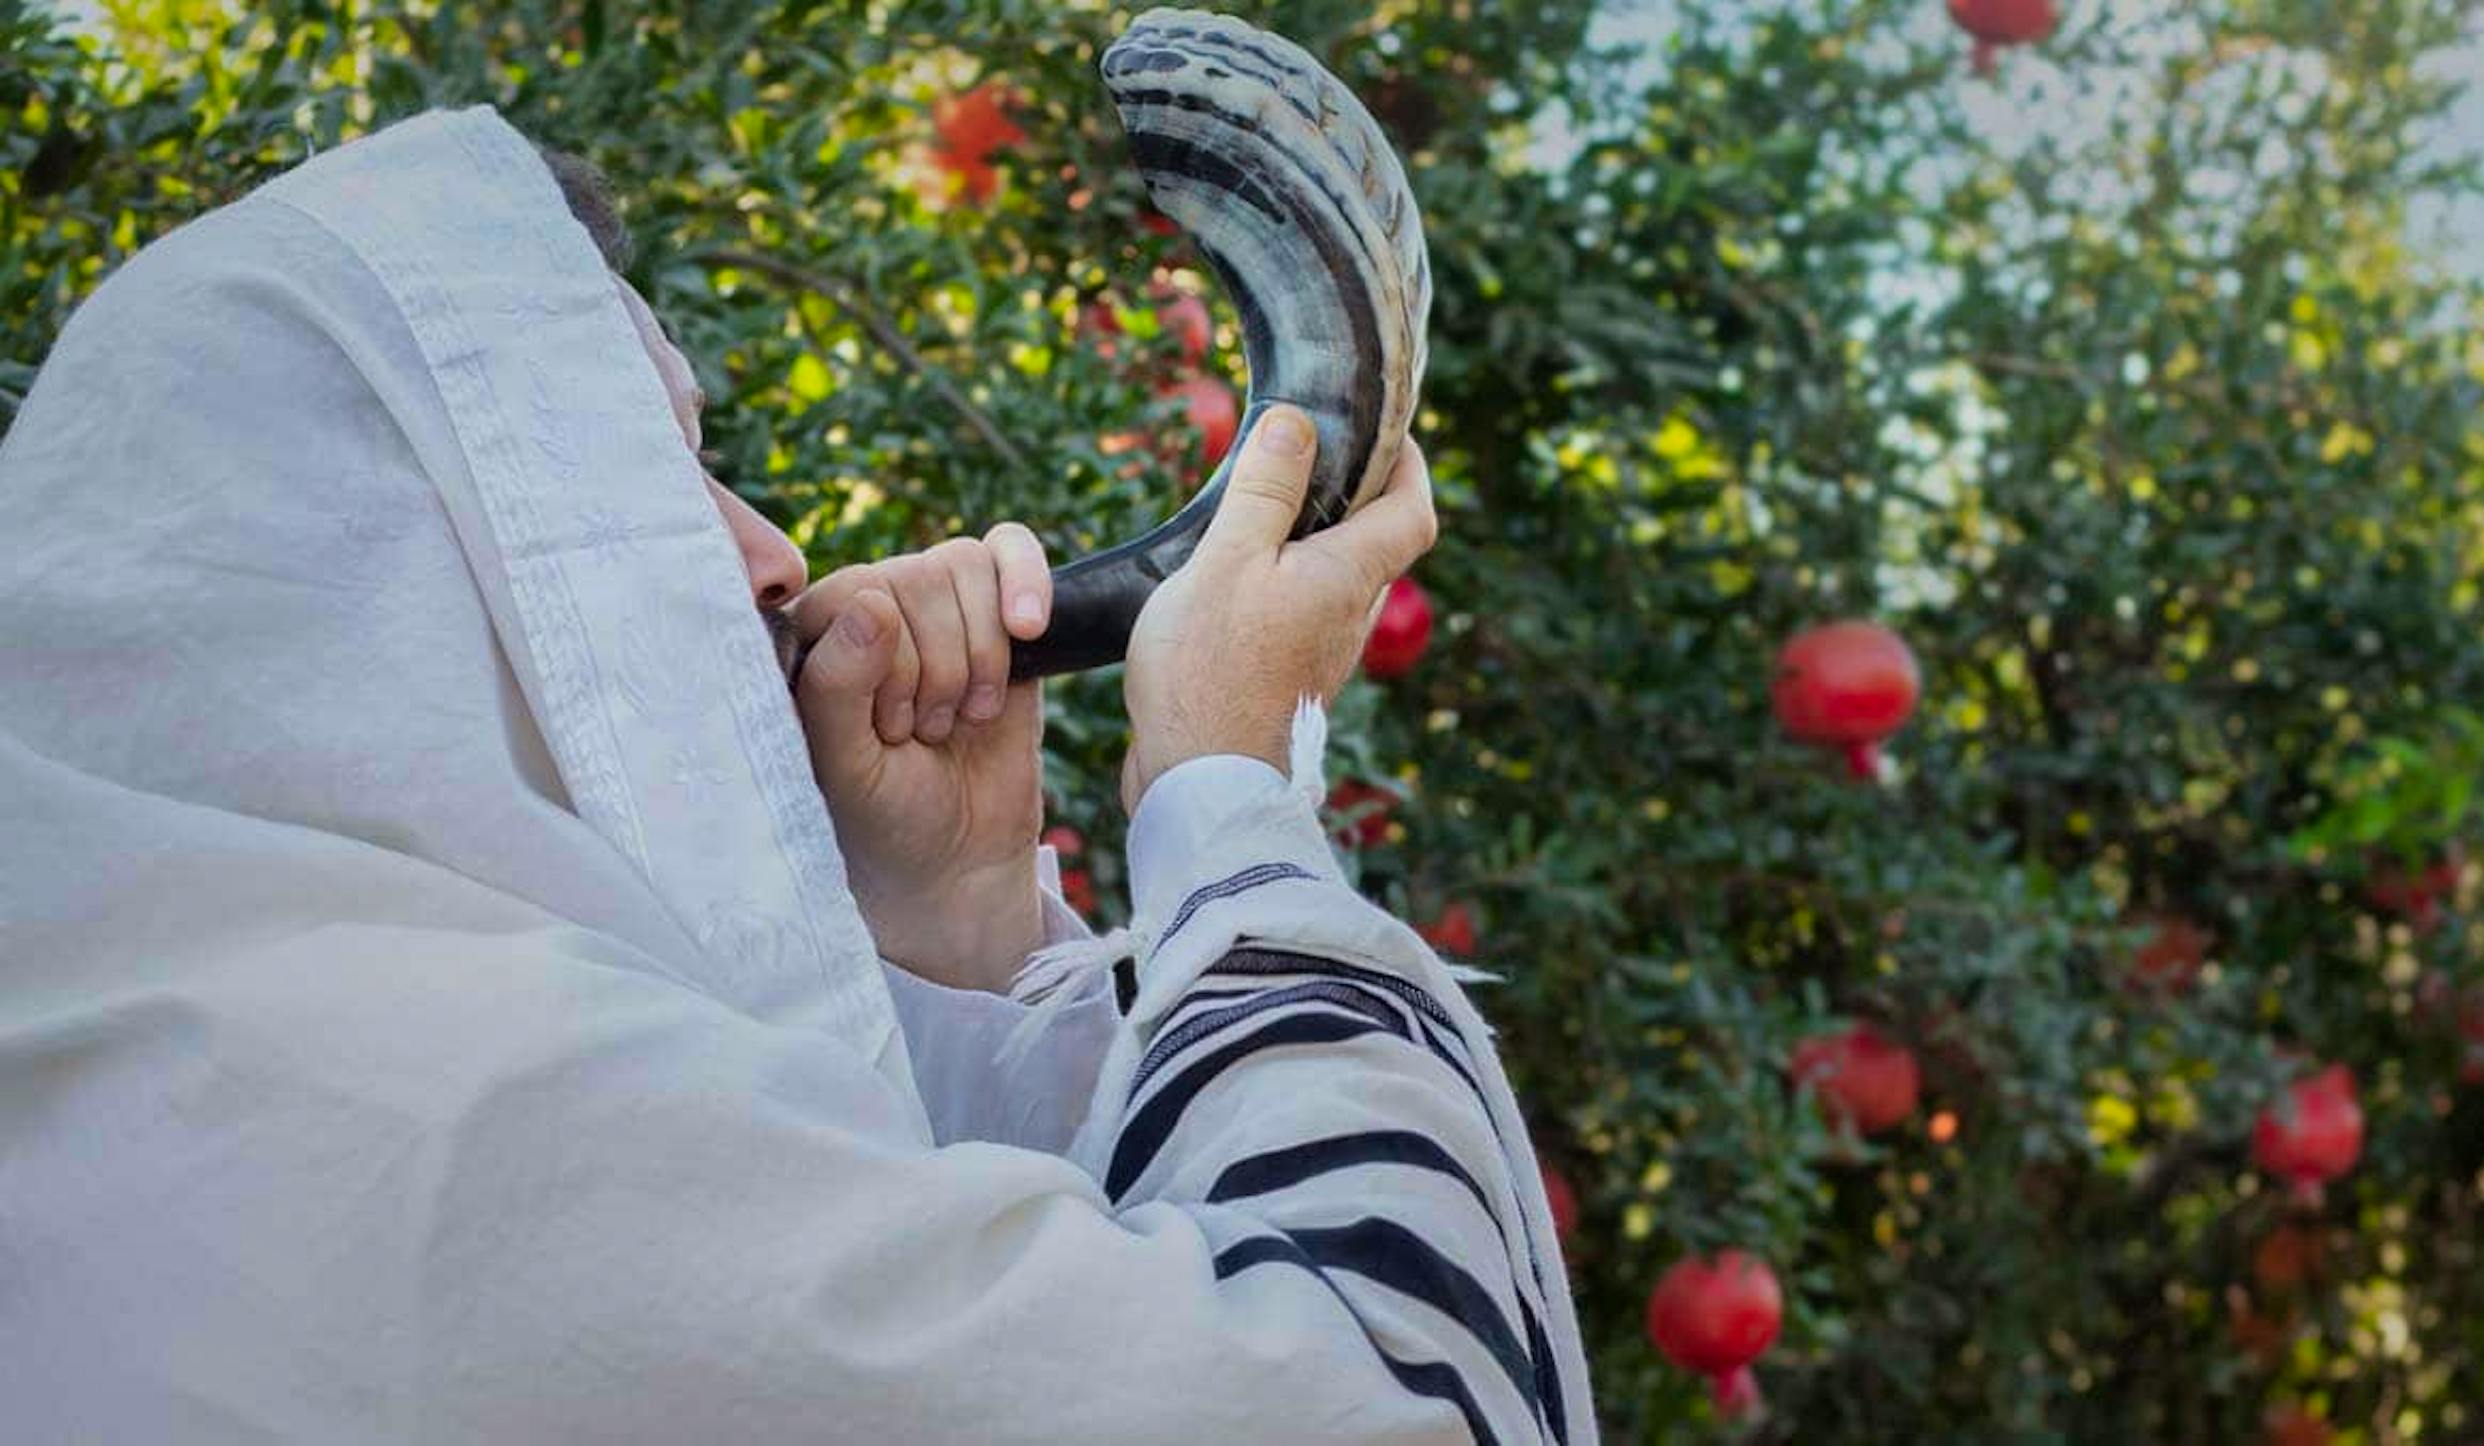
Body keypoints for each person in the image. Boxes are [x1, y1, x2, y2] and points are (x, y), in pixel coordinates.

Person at [0, 107, 1594, 1443]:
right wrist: (1227, 800)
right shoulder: (446, 1126)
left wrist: (960, 919)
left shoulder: (177, 1062)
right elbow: (1389, 1388)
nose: (777, 557)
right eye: (648, 463)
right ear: (392, 541)